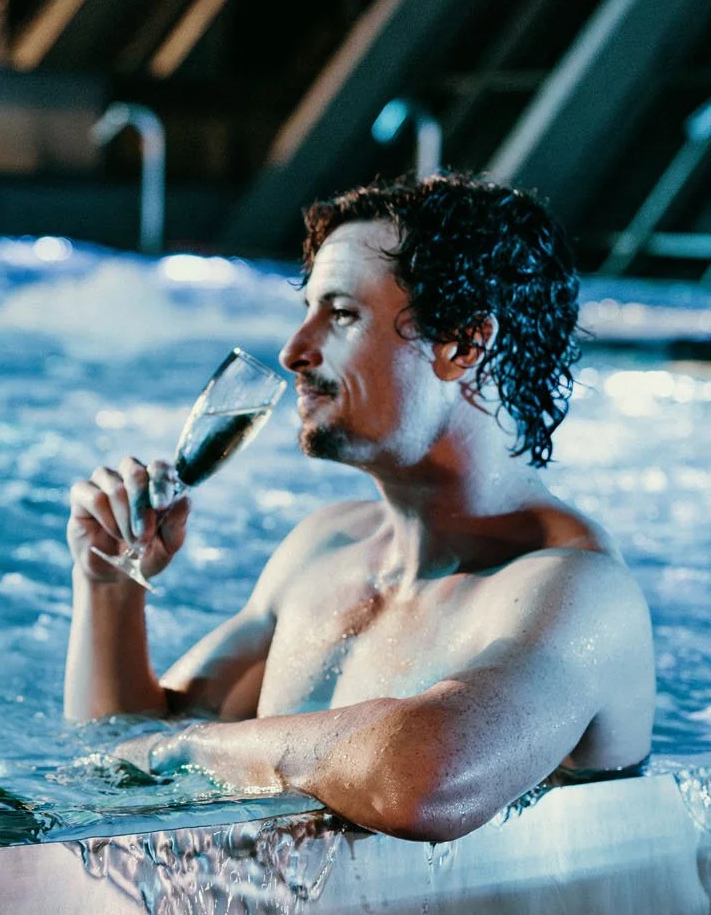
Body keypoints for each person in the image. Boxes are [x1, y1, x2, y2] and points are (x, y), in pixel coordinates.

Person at [63, 175, 653, 841]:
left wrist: (194, 749)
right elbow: (115, 757)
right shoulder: (323, 549)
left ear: (461, 344)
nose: (294, 350)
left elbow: (426, 778)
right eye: (309, 308)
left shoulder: (581, 593)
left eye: (341, 314)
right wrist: (110, 584)